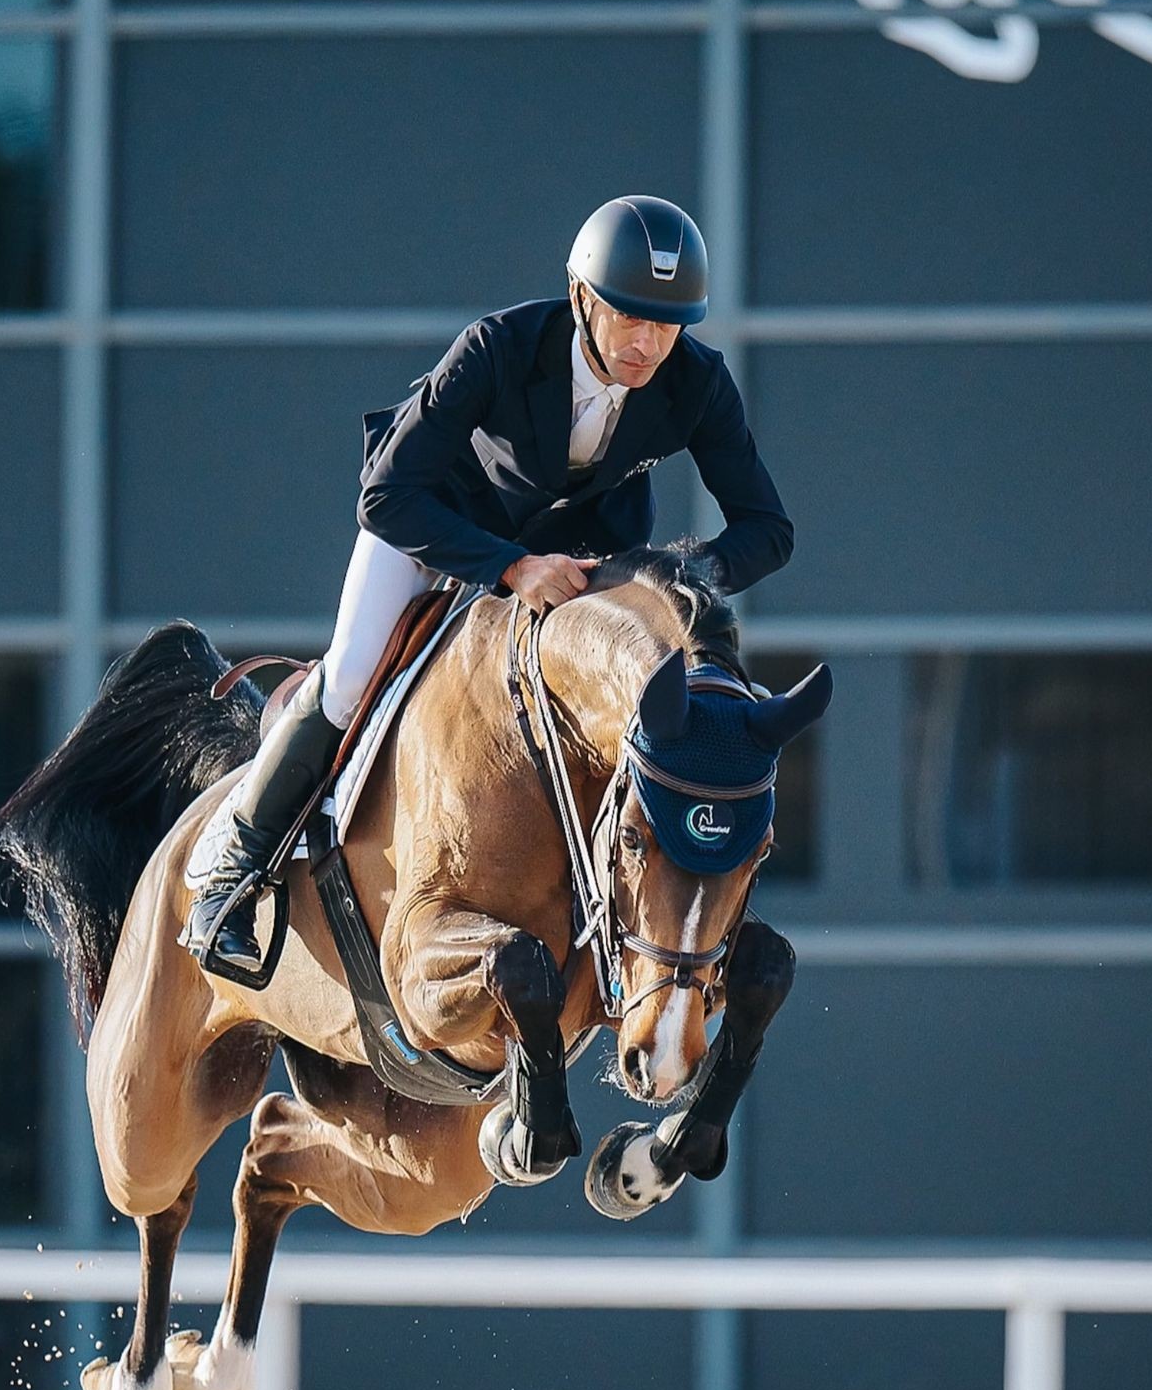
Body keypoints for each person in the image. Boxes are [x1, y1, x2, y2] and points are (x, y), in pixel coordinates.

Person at [187, 195, 795, 973]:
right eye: (630, 318)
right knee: (345, 684)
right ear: (583, 300)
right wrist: (508, 567)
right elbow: (385, 493)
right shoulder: (498, 349)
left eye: (668, 325)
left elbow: (768, 529)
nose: (649, 343)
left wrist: (673, 578)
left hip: (575, 566)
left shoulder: (697, 381)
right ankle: (230, 876)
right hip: (435, 527)